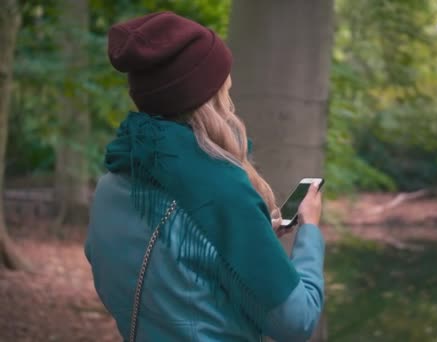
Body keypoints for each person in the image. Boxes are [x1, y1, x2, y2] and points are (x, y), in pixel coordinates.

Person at [85, 11, 325, 342]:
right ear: (208, 99)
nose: (230, 101)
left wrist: (253, 234)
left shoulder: (110, 187)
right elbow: (298, 321)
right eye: (225, 89)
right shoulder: (223, 194)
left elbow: (173, 280)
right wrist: (309, 230)